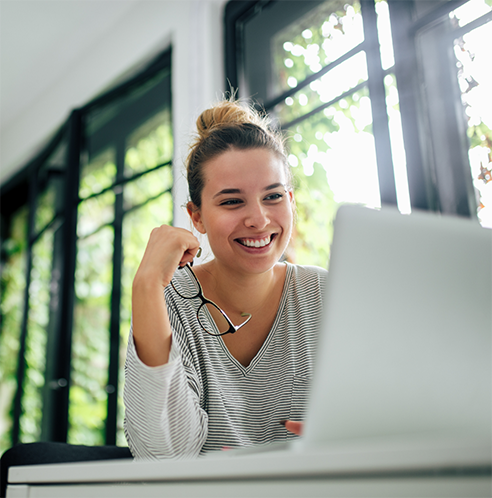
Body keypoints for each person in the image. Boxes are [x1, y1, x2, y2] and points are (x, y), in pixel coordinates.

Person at [123, 99, 327, 459]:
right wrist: (146, 285)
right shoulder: (170, 302)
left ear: (290, 201)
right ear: (197, 217)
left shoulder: (325, 296)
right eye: (232, 202)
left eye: (273, 196)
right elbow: (163, 458)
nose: (259, 219)